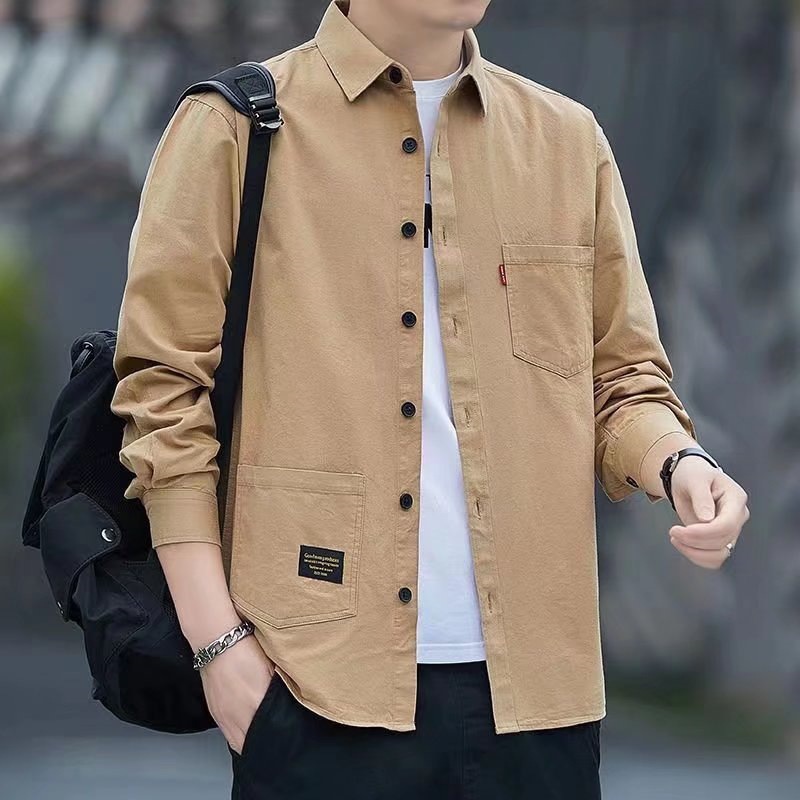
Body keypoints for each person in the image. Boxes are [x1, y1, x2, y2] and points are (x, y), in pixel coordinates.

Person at [109, 1, 751, 798]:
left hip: (539, 702)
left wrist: (679, 461)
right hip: (316, 689)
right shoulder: (233, 129)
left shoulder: (566, 140)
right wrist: (218, 647)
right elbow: (163, 390)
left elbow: (619, 378)